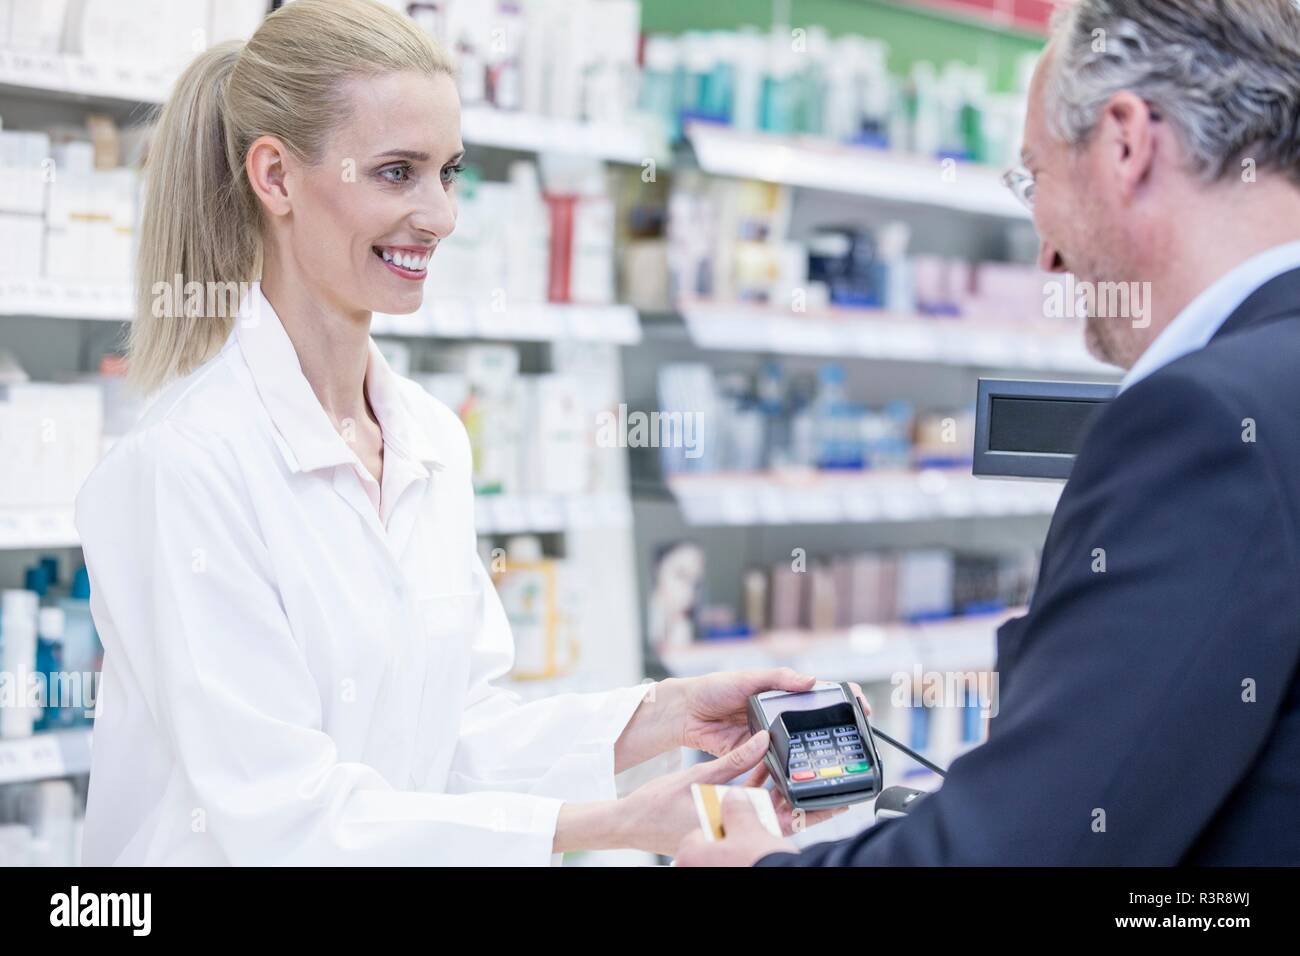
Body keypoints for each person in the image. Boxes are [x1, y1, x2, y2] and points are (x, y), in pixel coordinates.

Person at [74, 0, 845, 865]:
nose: (441, 215)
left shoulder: (430, 440)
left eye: (450, 173)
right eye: (398, 172)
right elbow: (282, 816)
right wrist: (606, 825)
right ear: (277, 177)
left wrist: (662, 716)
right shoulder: (183, 466)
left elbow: (453, 737)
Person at [677, 0, 1300, 867]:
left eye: (1034, 178)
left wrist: (749, 865)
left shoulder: (1201, 419)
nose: (1043, 254)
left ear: (1126, 143)